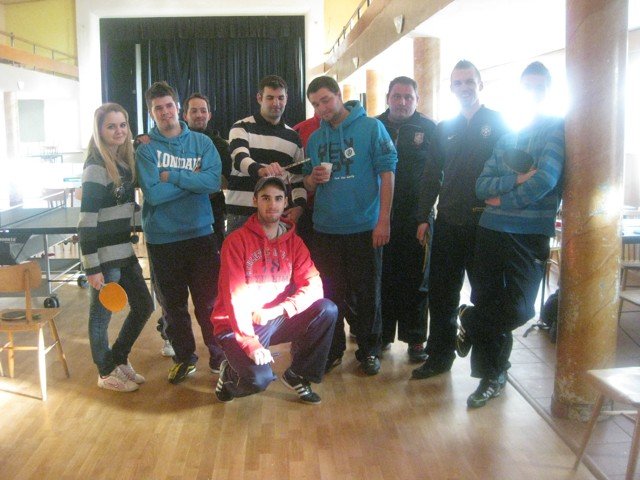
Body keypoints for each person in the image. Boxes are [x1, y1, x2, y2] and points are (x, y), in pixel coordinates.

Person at [458, 62, 564, 408]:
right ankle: (491, 376)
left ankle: (470, 321)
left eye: (539, 87)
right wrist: (515, 180)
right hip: (490, 231)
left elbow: (546, 179)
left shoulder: (556, 130)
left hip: (529, 235)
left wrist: (503, 199)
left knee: (519, 308)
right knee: (488, 300)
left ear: (548, 90)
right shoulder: (506, 138)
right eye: (527, 87)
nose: (532, 93)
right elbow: (481, 185)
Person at [412, 60, 508, 380]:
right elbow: (431, 176)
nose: (464, 87)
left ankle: (491, 368)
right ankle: (440, 356)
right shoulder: (444, 128)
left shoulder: (498, 122)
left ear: (480, 84)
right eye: (458, 83)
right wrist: (423, 216)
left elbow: (511, 169)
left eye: (469, 81)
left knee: (488, 297)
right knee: (442, 295)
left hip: (487, 225)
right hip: (449, 223)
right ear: (452, 88)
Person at [212, 176, 338, 404]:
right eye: (266, 198)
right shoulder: (235, 241)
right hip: (236, 323)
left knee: (326, 309)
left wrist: (279, 309)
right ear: (255, 201)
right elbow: (234, 298)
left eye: (278, 198)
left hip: (272, 318)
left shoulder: (294, 242)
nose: (273, 204)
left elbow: (314, 286)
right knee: (258, 380)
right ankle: (229, 373)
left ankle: (297, 374)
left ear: (286, 202)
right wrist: (250, 344)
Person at [303, 75, 397, 376]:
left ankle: (369, 350)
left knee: (367, 294)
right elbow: (308, 183)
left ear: (339, 96)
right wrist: (312, 179)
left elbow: (388, 174)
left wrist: (383, 220)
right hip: (325, 230)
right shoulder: (315, 139)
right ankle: (333, 350)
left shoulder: (371, 128)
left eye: (326, 100)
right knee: (330, 295)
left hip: (364, 227)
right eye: (316, 104)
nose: (322, 108)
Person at [136, 81, 225, 384]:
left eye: (168, 106)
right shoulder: (146, 149)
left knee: (209, 303)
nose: (165, 112)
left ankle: (219, 354)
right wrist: (191, 180)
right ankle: (185, 358)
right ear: (151, 113)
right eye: (157, 108)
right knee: (173, 307)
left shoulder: (202, 143)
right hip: (163, 240)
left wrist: (171, 176)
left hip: (200, 236)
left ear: (177, 107)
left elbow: (212, 183)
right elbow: (153, 195)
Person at [78, 103, 154, 392]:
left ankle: (119, 357)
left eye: (122, 125)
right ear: (99, 130)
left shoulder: (123, 162)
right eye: (111, 126)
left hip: (124, 252)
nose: (119, 131)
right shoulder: (96, 167)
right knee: (100, 317)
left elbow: (125, 207)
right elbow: (86, 221)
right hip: (104, 258)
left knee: (144, 306)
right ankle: (105, 371)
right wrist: (92, 268)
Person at [376, 76, 436, 363]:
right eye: (397, 96)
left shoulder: (429, 129)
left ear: (417, 100)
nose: (402, 102)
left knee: (417, 278)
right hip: (380, 216)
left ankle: (416, 339)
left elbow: (435, 175)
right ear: (387, 97)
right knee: (383, 276)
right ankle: (383, 335)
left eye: (408, 97)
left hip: (417, 217)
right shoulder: (375, 126)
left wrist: (424, 215)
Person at [226, 75, 306, 233]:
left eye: (280, 98)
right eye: (270, 98)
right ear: (259, 98)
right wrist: (260, 170)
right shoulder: (241, 127)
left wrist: (300, 207)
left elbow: (298, 179)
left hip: (276, 217)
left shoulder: (293, 137)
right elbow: (239, 158)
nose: (276, 103)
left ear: (286, 99)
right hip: (241, 215)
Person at [183, 92, 232, 248]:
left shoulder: (221, 145)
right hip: (181, 209)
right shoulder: (176, 143)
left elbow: (227, 180)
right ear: (185, 116)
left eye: (203, 111)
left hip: (213, 210)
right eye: (194, 111)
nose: (199, 115)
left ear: (209, 115)